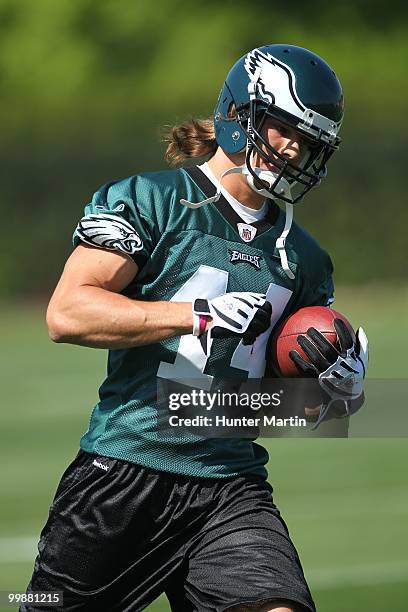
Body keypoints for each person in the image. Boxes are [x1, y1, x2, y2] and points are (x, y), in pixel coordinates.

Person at [23, 44, 368, 612]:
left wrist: (335, 391)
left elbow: (280, 403)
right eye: (283, 128)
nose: (293, 148)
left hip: (231, 488)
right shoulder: (151, 200)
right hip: (123, 477)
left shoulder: (305, 258)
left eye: (308, 141)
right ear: (239, 115)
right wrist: (194, 314)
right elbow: (68, 313)